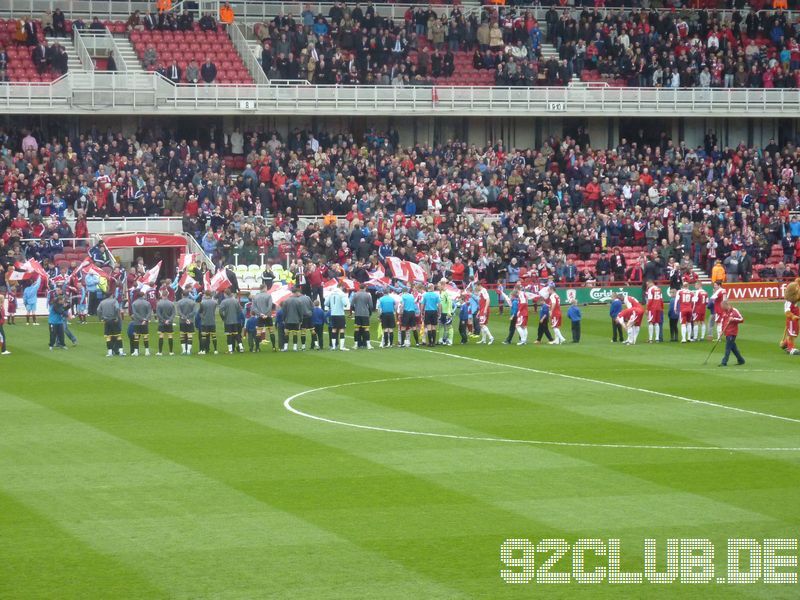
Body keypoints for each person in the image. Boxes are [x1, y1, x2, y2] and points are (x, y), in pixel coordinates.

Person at [718, 301, 745, 367]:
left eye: (723, 307)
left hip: (732, 332)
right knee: (733, 348)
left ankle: (724, 362)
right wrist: (721, 331)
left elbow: (741, 319)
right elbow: (723, 322)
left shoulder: (734, 311)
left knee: (728, 347)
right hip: (726, 332)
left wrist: (733, 319)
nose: (722, 309)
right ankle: (741, 360)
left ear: (726, 305)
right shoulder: (724, 312)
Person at [325, 282, 350, 350]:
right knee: (342, 329)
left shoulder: (331, 293)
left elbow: (326, 303)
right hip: (340, 314)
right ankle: (342, 347)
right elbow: (345, 303)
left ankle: (333, 346)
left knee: (334, 329)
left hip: (333, 314)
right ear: (341, 287)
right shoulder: (342, 294)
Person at [251, 284, 275, 351]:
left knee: (258, 333)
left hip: (259, 316)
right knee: (271, 332)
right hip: (268, 316)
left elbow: (254, 308)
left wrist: (260, 314)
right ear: (265, 288)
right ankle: (273, 347)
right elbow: (270, 306)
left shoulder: (255, 297)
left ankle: (257, 348)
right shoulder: (268, 295)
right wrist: (266, 314)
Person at [219, 288, 243, 354]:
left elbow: (220, 311)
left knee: (229, 335)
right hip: (235, 321)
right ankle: (241, 347)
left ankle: (230, 350)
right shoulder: (236, 301)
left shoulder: (224, 302)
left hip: (228, 321)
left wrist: (223, 317)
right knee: (237, 335)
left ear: (225, 294)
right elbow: (240, 310)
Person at [130, 290, 153, 356]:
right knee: (145, 336)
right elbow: (149, 312)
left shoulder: (134, 303)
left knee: (136, 337)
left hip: (137, 322)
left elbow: (135, 313)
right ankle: (147, 351)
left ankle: (136, 352)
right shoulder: (147, 303)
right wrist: (145, 319)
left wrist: (141, 319)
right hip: (145, 323)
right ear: (143, 296)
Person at [176, 285, 197, 354]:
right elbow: (194, 312)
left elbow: (179, 312)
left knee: (182, 335)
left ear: (182, 294)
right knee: (189, 335)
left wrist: (184, 318)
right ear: (189, 295)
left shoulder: (179, 302)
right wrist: (188, 318)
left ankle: (184, 350)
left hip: (182, 321)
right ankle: (188, 350)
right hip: (190, 321)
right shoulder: (193, 302)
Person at [155, 289, 176, 355]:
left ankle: (160, 352)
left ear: (162, 295)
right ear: (167, 295)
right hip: (169, 323)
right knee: (170, 336)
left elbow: (158, 314)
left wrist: (164, 321)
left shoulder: (159, 303)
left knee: (161, 336)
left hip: (161, 323)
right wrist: (169, 320)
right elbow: (173, 313)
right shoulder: (171, 303)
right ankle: (171, 352)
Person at [198, 289, 218, 354]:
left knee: (204, 336)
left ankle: (203, 350)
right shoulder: (215, 302)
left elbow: (200, 312)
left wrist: (202, 317)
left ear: (205, 295)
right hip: (212, 321)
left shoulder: (202, 302)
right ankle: (215, 350)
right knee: (214, 336)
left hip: (205, 322)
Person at [420, 283, 440, 348]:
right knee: (434, 327)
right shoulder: (436, 295)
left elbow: (422, 304)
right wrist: (439, 312)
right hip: (434, 311)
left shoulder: (425, 295)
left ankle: (430, 342)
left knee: (429, 327)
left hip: (427, 312)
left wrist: (422, 311)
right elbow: (439, 304)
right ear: (432, 288)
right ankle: (433, 342)